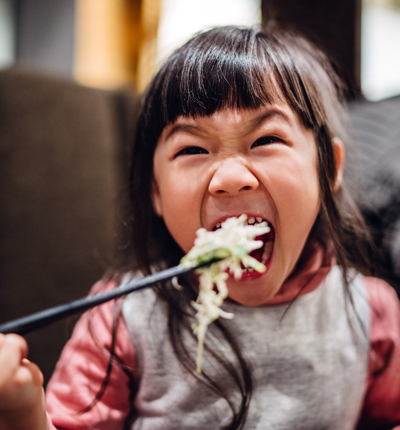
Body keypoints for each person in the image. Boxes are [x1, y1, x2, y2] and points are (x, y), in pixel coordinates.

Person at [1, 25, 400, 430]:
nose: (228, 177)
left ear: (328, 166)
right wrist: (20, 414)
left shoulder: (371, 312)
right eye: (192, 149)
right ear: (155, 191)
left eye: (265, 140)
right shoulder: (123, 315)